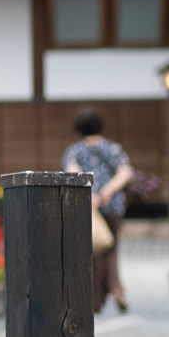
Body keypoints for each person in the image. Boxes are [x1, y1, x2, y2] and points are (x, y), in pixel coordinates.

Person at [63, 111, 133, 313]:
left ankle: (96, 300)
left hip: (89, 206)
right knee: (110, 248)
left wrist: (91, 195)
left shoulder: (75, 150)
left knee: (93, 252)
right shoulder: (112, 148)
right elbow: (125, 172)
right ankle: (116, 290)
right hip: (113, 206)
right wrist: (107, 192)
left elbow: (72, 172)